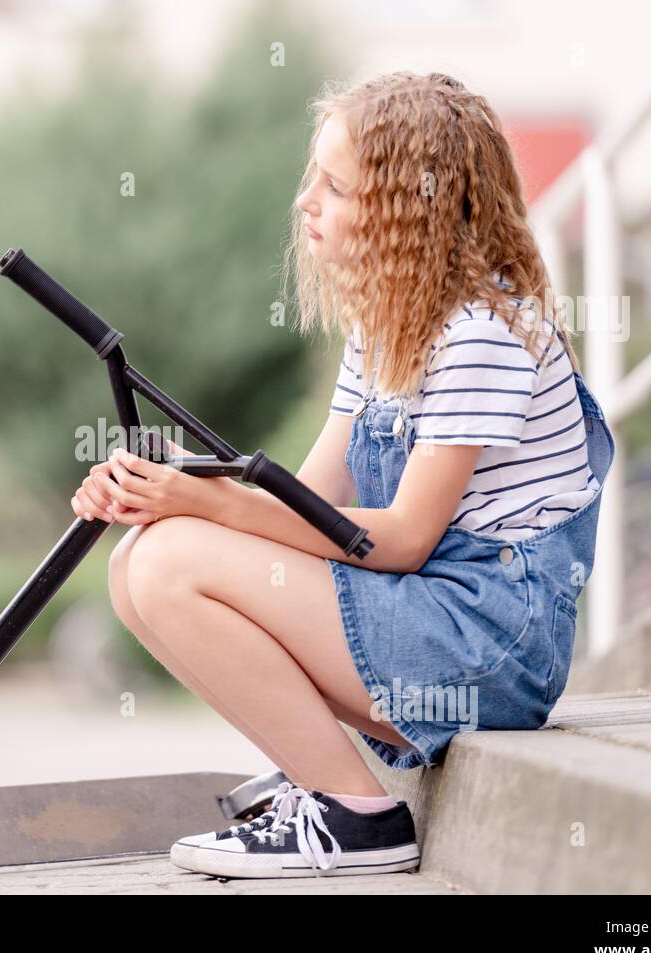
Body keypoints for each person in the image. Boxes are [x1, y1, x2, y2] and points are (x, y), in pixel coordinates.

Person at [69, 71, 616, 880]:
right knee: (140, 558)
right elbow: (316, 501)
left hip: (490, 646)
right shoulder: (388, 328)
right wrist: (171, 484)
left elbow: (395, 539)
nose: (305, 202)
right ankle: (319, 776)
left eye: (334, 185)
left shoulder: (482, 336)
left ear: (409, 208)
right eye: (311, 177)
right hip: (437, 614)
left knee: (169, 560)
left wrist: (203, 504)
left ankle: (357, 815)